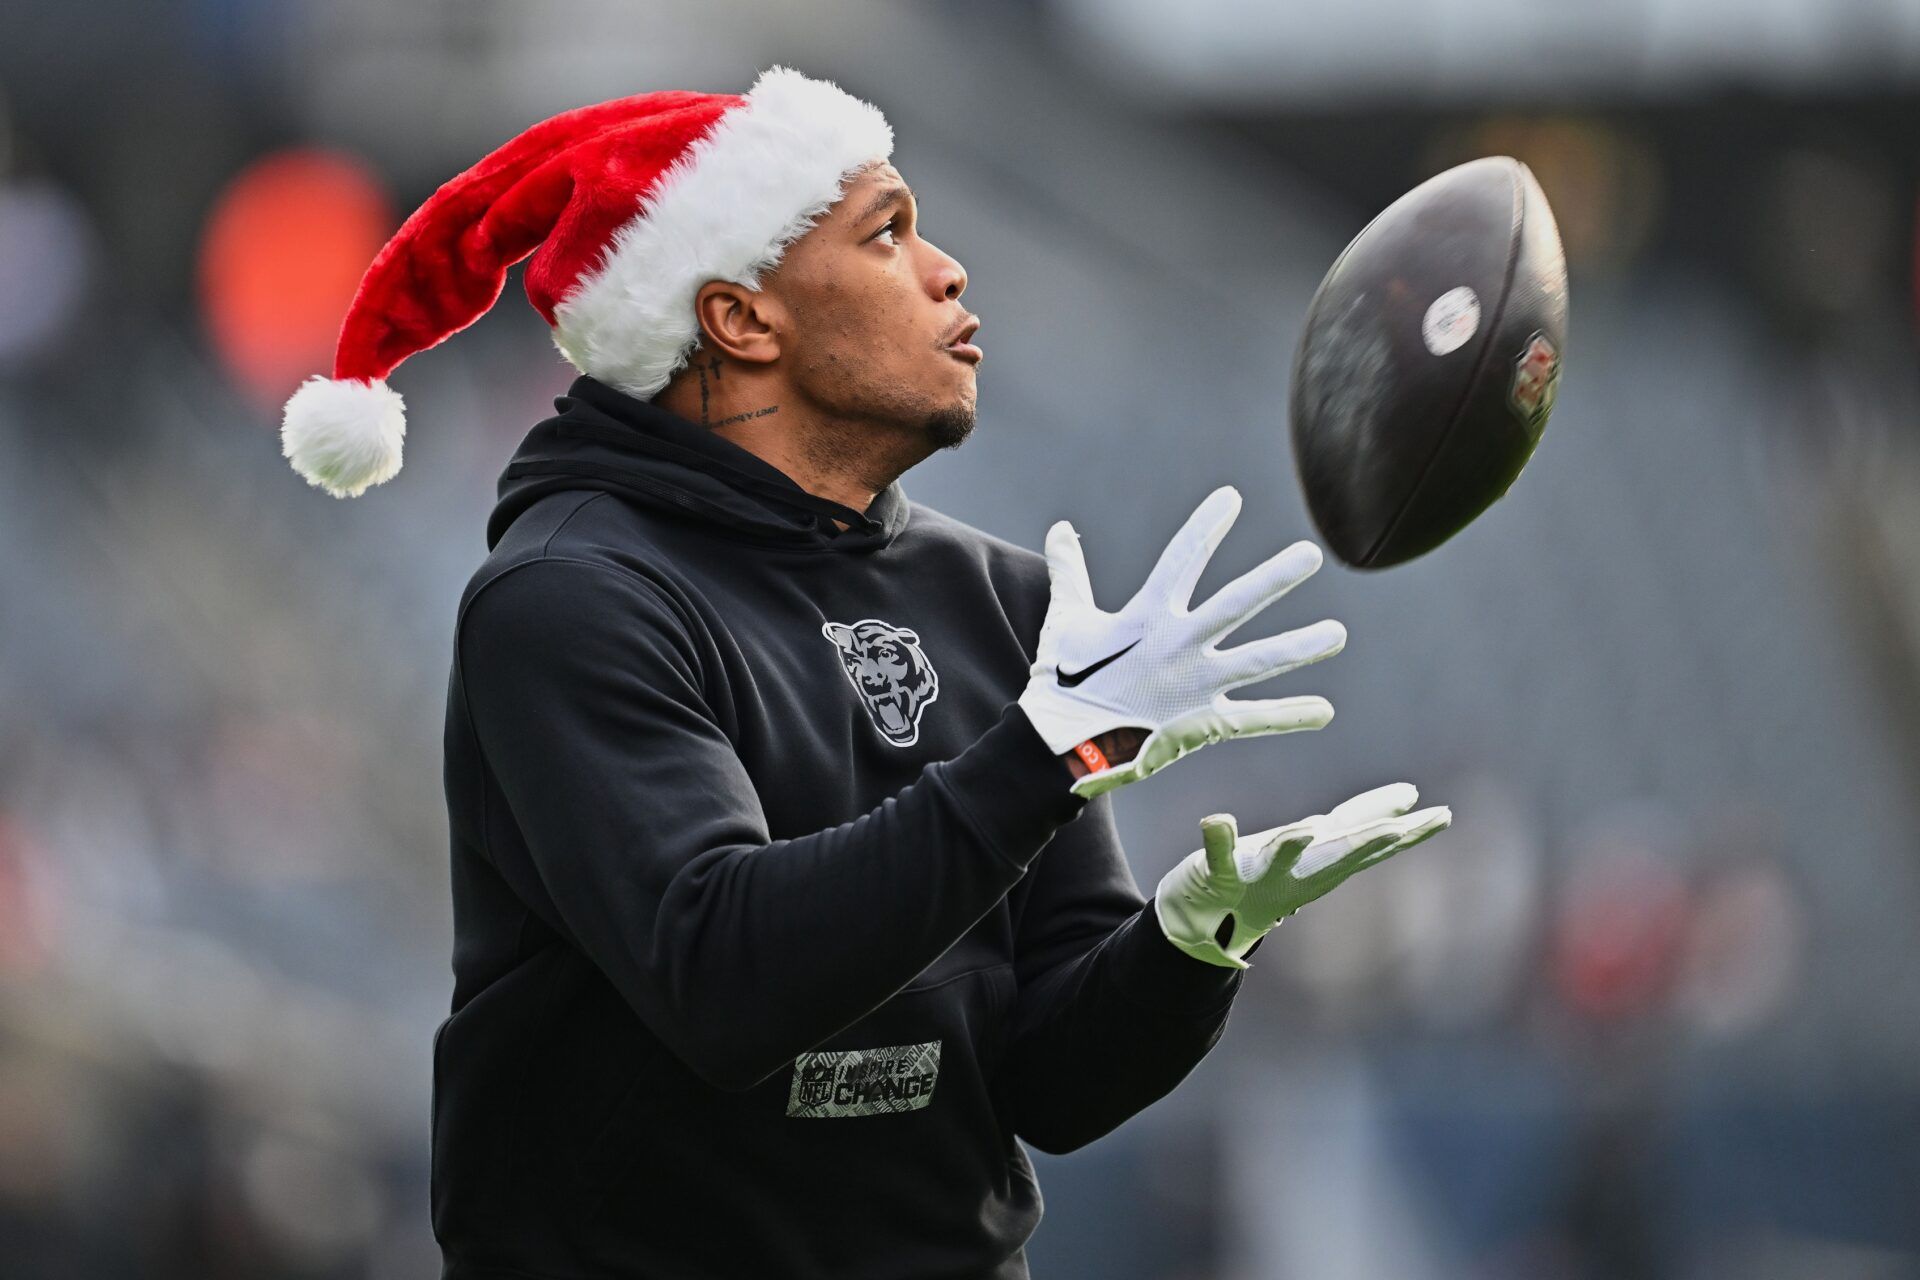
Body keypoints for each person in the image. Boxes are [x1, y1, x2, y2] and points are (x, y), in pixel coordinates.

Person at [282, 67, 1451, 1280]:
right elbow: (724, 973)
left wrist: (1194, 940)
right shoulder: (570, 596)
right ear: (741, 320)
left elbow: (1048, 1079)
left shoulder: (1000, 594)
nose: (948, 270)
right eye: (887, 233)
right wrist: (1047, 755)